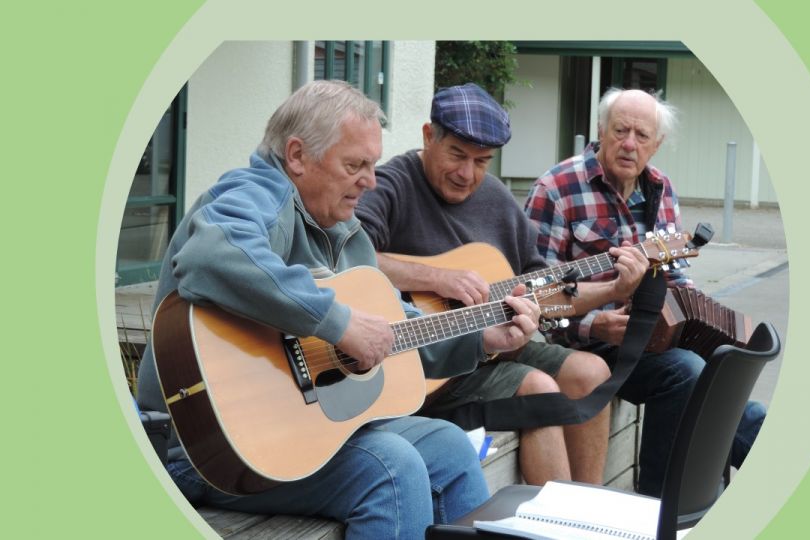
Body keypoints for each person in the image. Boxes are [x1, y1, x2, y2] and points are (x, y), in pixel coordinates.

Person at [135, 80, 544, 539]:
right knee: (392, 469)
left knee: (448, 446)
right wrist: (338, 323)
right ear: (296, 156)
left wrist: (481, 338)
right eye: (356, 165)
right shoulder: (256, 193)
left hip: (293, 434)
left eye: (372, 165)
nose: (370, 181)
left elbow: (388, 329)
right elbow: (212, 256)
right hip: (200, 448)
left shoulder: (345, 230)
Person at [355, 83, 650, 486]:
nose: (467, 173)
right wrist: (437, 277)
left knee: (592, 371)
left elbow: (546, 292)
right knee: (539, 387)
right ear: (428, 135)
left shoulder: (497, 200)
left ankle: (588, 507)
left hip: (495, 348)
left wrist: (614, 290)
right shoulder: (392, 184)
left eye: (482, 161)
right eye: (457, 155)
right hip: (424, 367)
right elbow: (351, 257)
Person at [524, 87, 768, 496]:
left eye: (641, 135)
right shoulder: (556, 189)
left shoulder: (661, 189)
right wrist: (594, 325)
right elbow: (534, 294)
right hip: (584, 347)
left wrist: (690, 317)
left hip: (647, 340)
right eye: (620, 131)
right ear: (601, 130)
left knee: (724, 374)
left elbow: (676, 276)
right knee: (686, 374)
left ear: (658, 144)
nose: (629, 143)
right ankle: (662, 503)